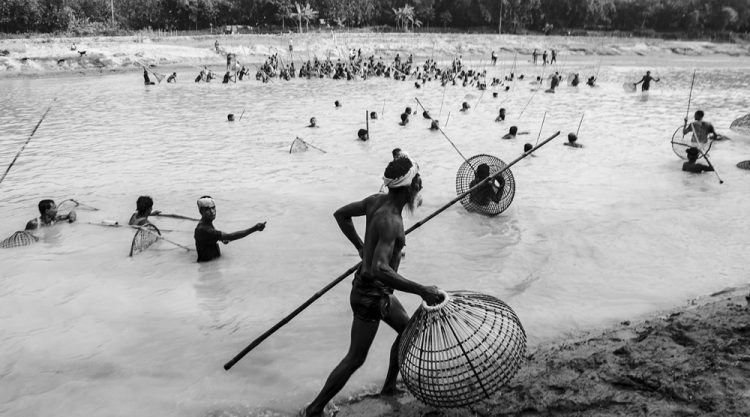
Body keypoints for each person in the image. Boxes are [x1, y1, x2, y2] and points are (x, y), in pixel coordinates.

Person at [301, 157, 443, 417]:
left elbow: (341, 215)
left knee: (408, 330)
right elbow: (380, 268)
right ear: (408, 188)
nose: (420, 187)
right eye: (418, 183)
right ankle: (314, 409)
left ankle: (388, 387)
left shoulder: (375, 201)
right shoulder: (391, 221)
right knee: (355, 358)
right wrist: (422, 289)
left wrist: (360, 246)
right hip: (370, 294)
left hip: (377, 291)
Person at [194, 196, 266, 263]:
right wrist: (255, 228)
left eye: (213, 208)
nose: (212, 211)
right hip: (208, 269)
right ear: (201, 211)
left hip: (209, 266)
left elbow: (214, 236)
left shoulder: (207, 223)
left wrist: (220, 238)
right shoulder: (204, 230)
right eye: (207, 209)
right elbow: (230, 236)